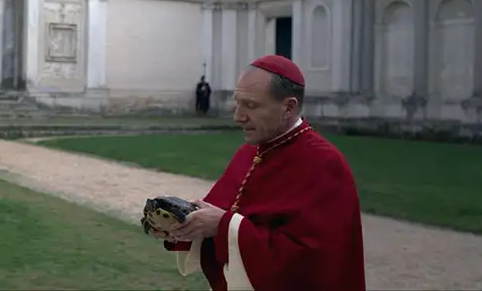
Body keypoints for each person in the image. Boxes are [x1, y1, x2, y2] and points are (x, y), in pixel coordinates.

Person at [148, 55, 366, 291]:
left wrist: (223, 226)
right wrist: (182, 228)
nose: (238, 116)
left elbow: (311, 264)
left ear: (289, 107)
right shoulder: (249, 151)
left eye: (250, 105)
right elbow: (218, 218)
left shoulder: (324, 163)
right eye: (237, 103)